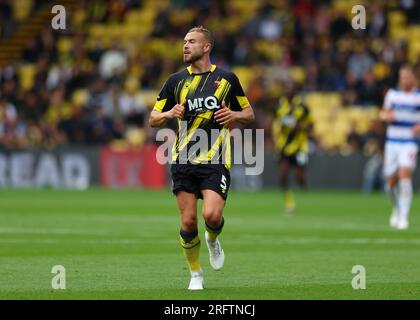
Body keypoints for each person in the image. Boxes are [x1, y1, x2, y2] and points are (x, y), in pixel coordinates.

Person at [149, 26, 254, 290]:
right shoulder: (175, 81)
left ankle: (212, 239)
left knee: (212, 216)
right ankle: (196, 274)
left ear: (206, 47)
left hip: (215, 158)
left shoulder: (227, 79)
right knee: (187, 221)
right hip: (183, 158)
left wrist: (234, 116)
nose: (185, 45)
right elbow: (153, 119)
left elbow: (249, 114)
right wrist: (169, 114)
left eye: (191, 41)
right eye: (184, 41)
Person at [380, 64, 420, 230]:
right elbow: (383, 113)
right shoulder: (392, 95)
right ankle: (396, 207)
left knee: (405, 174)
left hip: (409, 141)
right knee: (389, 181)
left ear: (414, 78)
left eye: (408, 77)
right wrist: (386, 115)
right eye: (403, 77)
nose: (405, 80)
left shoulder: (418, 96)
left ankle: (403, 215)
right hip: (393, 141)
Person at [272, 82, 313, 213]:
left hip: (300, 146)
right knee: (283, 174)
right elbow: (276, 121)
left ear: (296, 91)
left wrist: (299, 127)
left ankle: (304, 184)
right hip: (283, 146)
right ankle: (289, 203)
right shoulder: (279, 105)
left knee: (298, 177)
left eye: (291, 88)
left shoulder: (303, 107)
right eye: (287, 88)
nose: (289, 91)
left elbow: (311, 126)